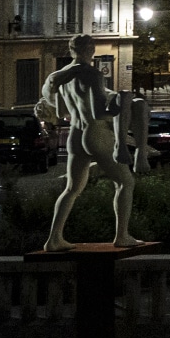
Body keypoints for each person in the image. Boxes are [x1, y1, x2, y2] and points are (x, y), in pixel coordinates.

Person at [36, 34, 149, 251]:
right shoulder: (92, 74)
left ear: (71, 50)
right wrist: (120, 105)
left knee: (71, 189)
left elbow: (60, 110)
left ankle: (54, 238)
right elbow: (99, 111)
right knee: (125, 182)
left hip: (76, 136)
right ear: (92, 50)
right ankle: (122, 235)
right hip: (95, 133)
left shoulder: (59, 76)